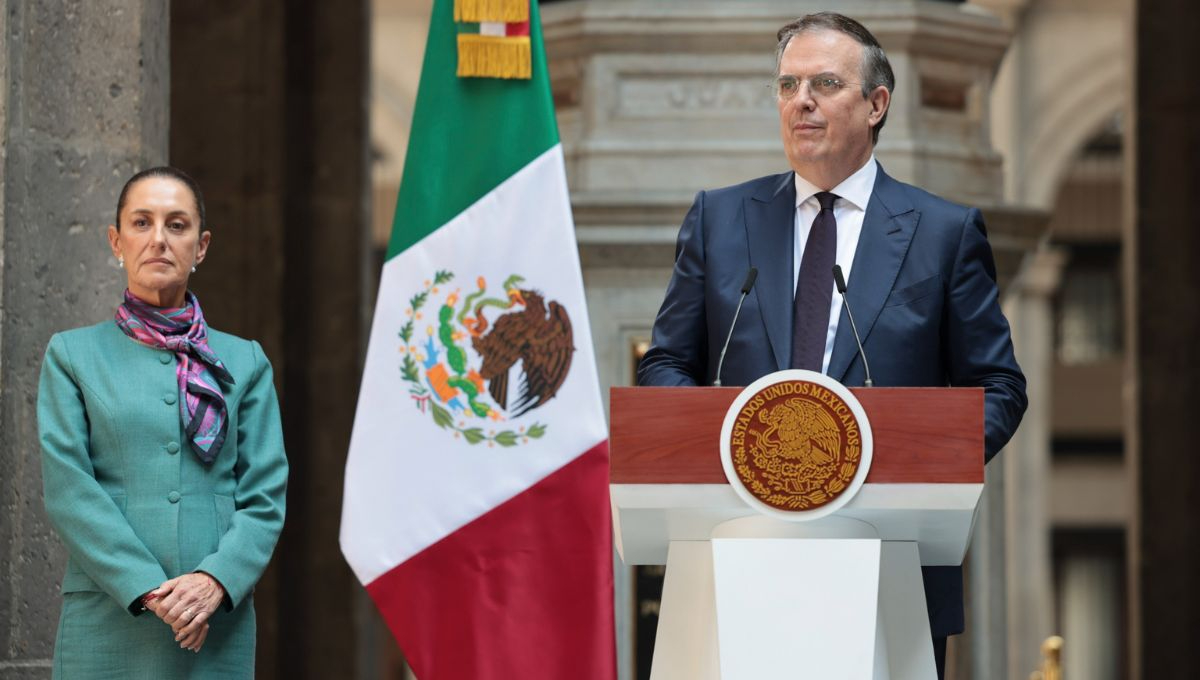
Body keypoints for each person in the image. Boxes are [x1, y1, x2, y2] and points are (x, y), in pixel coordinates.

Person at [637, 12, 1026, 678]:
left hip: (886, 560)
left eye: (824, 83)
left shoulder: (943, 232)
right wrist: (734, 443)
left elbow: (998, 386)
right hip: (734, 551)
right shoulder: (721, 219)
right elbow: (669, 362)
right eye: (787, 86)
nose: (801, 101)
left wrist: (913, 458)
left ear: (877, 104)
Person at [38, 166, 288, 678]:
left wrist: (215, 582)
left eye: (177, 225)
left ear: (201, 247)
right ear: (116, 241)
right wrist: (153, 591)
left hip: (214, 623)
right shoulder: (72, 356)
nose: (158, 239)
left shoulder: (245, 362)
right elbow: (69, 489)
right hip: (110, 618)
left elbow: (264, 496)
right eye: (141, 223)